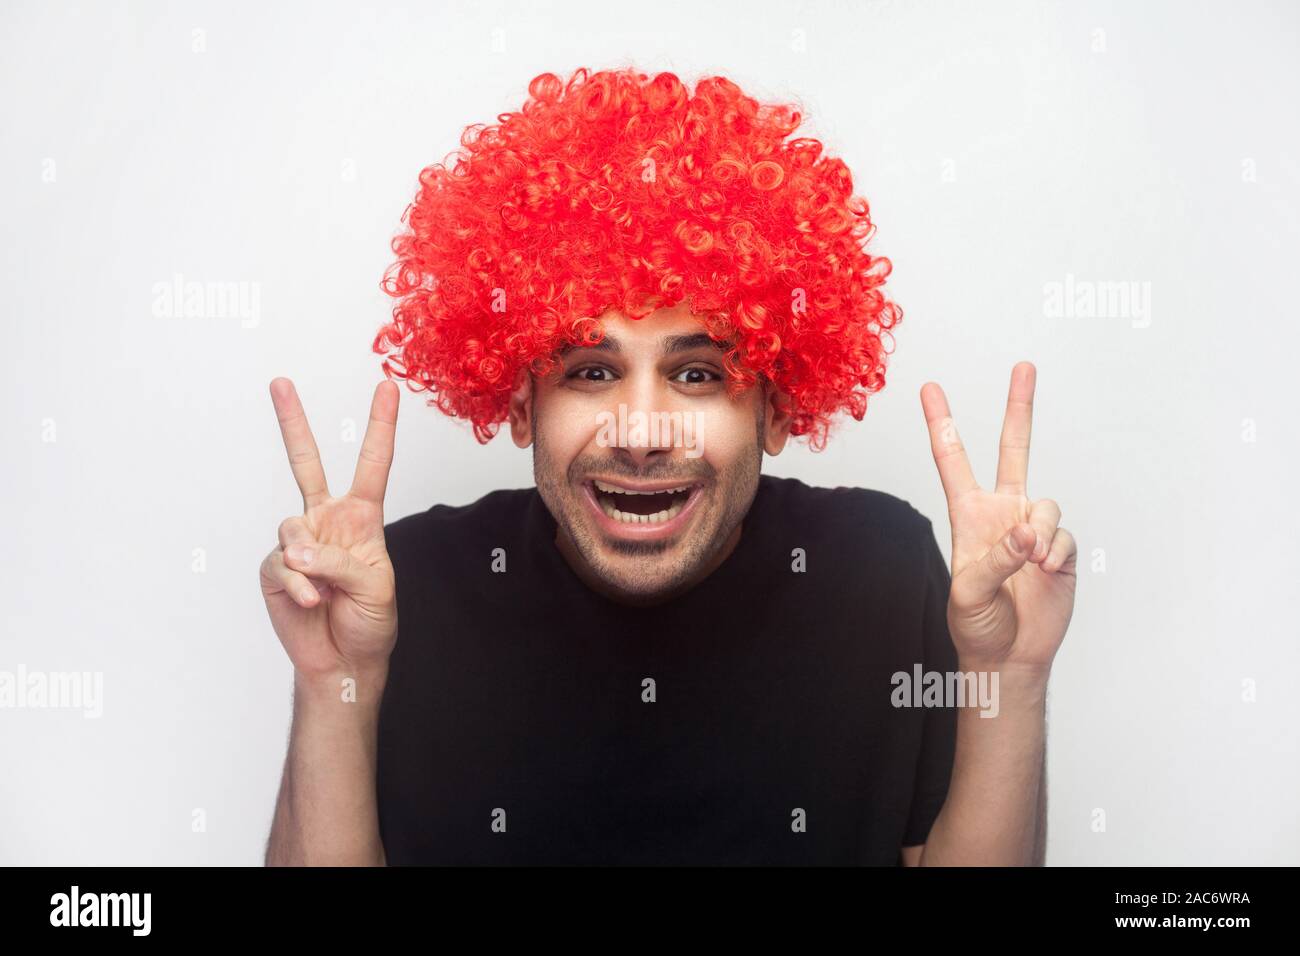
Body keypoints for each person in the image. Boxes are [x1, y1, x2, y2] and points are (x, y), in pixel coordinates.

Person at [260, 67, 1077, 866]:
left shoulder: (881, 572)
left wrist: (1010, 679)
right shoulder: (408, 592)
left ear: (779, 408)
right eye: (590, 370)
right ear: (518, 406)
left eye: (697, 373)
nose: (642, 432)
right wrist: (336, 683)